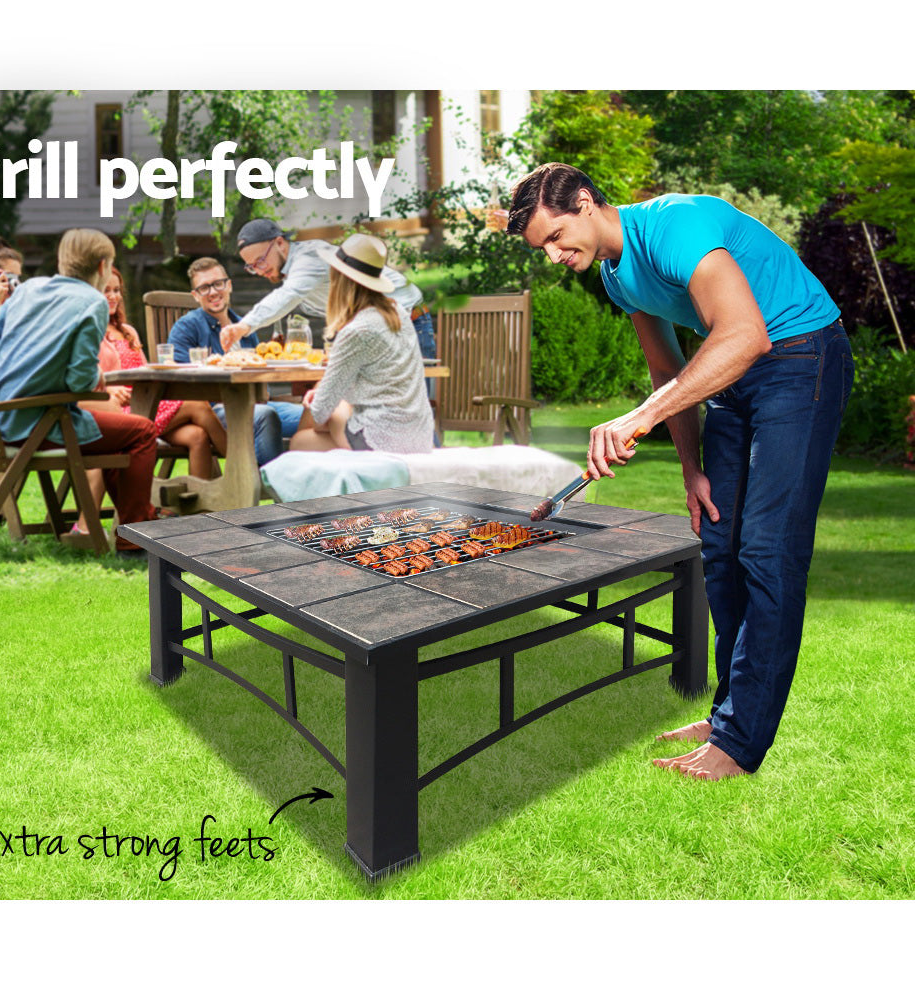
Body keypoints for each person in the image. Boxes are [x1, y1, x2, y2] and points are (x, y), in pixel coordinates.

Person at [505, 162, 854, 780]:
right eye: (544, 249)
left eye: (557, 237)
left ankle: (740, 745)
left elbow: (746, 334)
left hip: (800, 354)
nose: (555, 255)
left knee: (768, 551)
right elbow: (668, 374)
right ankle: (729, 714)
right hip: (734, 376)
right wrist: (691, 469)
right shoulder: (616, 277)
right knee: (719, 546)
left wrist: (635, 419)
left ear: (585, 201)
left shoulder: (674, 226)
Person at [0, 229, 158, 556]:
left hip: (1, 418)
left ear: (63, 261)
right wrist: (100, 376)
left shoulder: (29, 288)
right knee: (142, 432)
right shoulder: (91, 302)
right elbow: (79, 383)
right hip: (40, 424)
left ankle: (139, 526)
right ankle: (135, 538)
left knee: (121, 433)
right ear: (103, 266)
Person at [73, 267, 229, 536]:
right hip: (118, 409)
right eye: (106, 290)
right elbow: (85, 376)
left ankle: (197, 518)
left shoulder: (128, 331)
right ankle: (242, 467)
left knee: (197, 436)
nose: (113, 296)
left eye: (117, 290)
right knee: (198, 406)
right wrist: (110, 392)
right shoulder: (89, 331)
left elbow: (146, 373)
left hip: (144, 403)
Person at [289, 234, 434, 454]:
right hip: (418, 436)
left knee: (300, 442)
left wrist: (318, 400)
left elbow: (318, 417)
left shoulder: (356, 331)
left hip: (382, 440)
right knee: (335, 408)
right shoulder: (398, 314)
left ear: (339, 280)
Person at [218, 218, 437, 363]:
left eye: (261, 261)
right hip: (372, 328)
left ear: (279, 243)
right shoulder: (292, 269)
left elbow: (287, 296)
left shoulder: (308, 258)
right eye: (252, 267)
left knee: (414, 410)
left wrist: (244, 326)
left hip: (407, 319)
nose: (259, 270)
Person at [167, 257, 301, 466]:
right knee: (266, 416)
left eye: (217, 284)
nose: (212, 292)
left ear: (228, 285)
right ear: (195, 296)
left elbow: (259, 374)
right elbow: (180, 383)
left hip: (257, 403)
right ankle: (260, 487)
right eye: (204, 288)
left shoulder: (244, 327)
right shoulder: (187, 328)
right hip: (214, 410)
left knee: (312, 416)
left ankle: (307, 485)